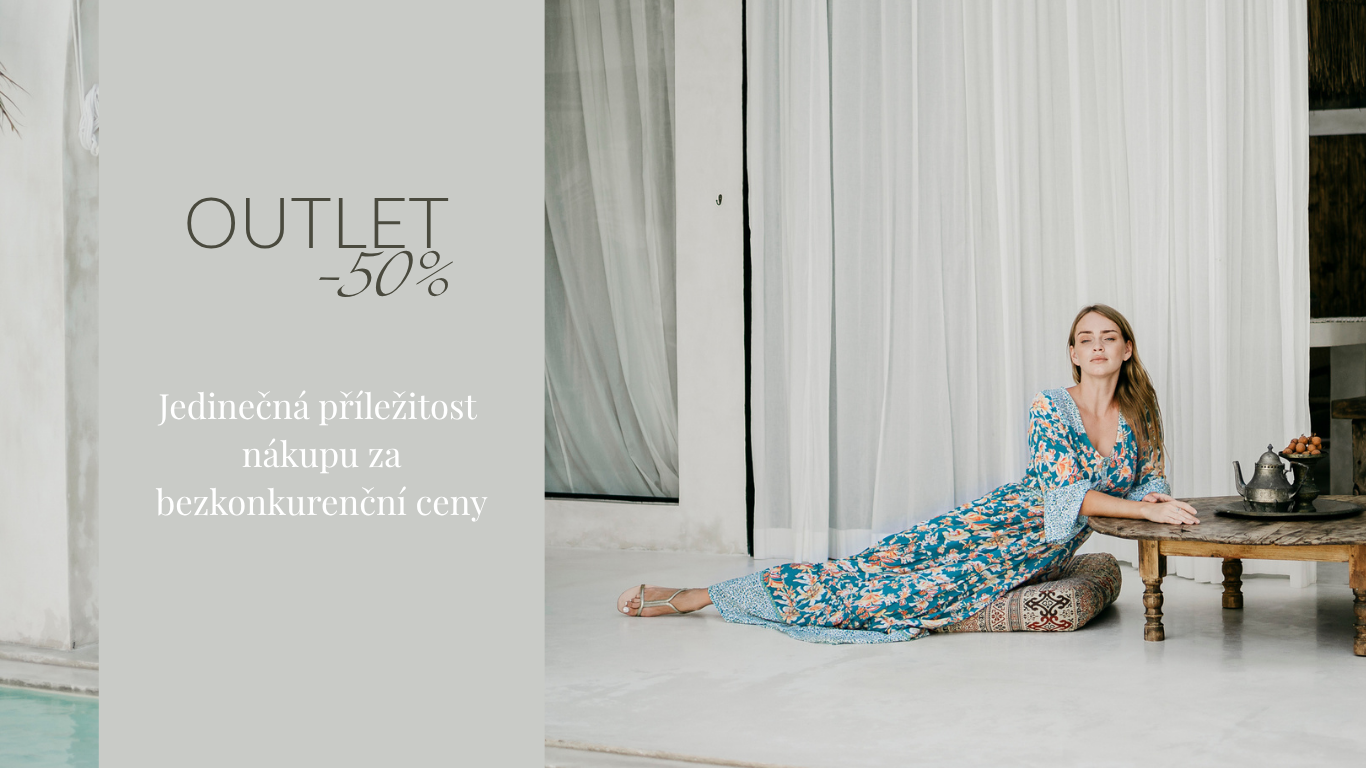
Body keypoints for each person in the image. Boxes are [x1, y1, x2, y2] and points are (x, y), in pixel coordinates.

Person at [615, 304, 1201, 644]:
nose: (1097, 347)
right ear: (1072, 353)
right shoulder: (1049, 406)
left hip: (1039, 554)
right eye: (1085, 339)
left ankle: (707, 597)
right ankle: (699, 597)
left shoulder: (1140, 411)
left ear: (1127, 349)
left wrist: (1159, 499)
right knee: (871, 570)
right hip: (997, 524)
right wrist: (1143, 509)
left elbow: (1151, 476)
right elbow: (1064, 495)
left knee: (905, 594)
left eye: (1108, 338)